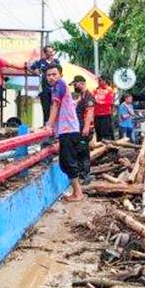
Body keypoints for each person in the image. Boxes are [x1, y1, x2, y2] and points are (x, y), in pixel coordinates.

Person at [42, 64, 84, 201]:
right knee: (66, 161)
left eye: (54, 74)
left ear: (60, 75)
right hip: (67, 129)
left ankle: (78, 193)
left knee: (68, 161)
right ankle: (76, 192)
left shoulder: (59, 85)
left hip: (69, 130)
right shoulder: (58, 87)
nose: (51, 77)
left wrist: (49, 125)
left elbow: (55, 105)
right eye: (48, 75)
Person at [28, 46, 60, 125]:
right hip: (44, 89)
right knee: (45, 109)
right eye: (49, 52)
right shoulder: (41, 61)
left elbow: (60, 72)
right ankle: (46, 126)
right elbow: (31, 68)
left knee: (55, 108)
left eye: (52, 51)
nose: (51, 53)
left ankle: (54, 126)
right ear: (45, 53)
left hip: (55, 90)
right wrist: (38, 74)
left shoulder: (56, 61)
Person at [72, 75, 95, 184]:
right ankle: (82, 173)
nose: (74, 86)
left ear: (81, 83)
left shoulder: (88, 97)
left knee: (83, 151)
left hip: (85, 128)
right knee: (79, 151)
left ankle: (86, 174)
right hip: (79, 127)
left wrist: (86, 128)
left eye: (75, 84)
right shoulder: (81, 96)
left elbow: (90, 113)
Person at [93, 76, 115, 141]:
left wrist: (98, 102)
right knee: (98, 133)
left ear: (105, 81)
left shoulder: (109, 90)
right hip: (97, 114)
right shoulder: (95, 90)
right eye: (98, 80)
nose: (98, 82)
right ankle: (99, 149)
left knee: (106, 133)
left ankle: (109, 149)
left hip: (106, 114)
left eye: (100, 80)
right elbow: (91, 99)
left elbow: (110, 102)